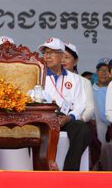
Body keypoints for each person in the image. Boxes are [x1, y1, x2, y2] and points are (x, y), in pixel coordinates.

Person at [38, 37, 90, 171]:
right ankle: (45, 168)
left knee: (83, 130)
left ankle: (70, 170)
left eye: (51, 53)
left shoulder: (74, 79)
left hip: (66, 117)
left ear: (61, 56)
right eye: (45, 53)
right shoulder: (38, 75)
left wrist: (69, 117)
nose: (47, 56)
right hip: (45, 118)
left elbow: (80, 104)